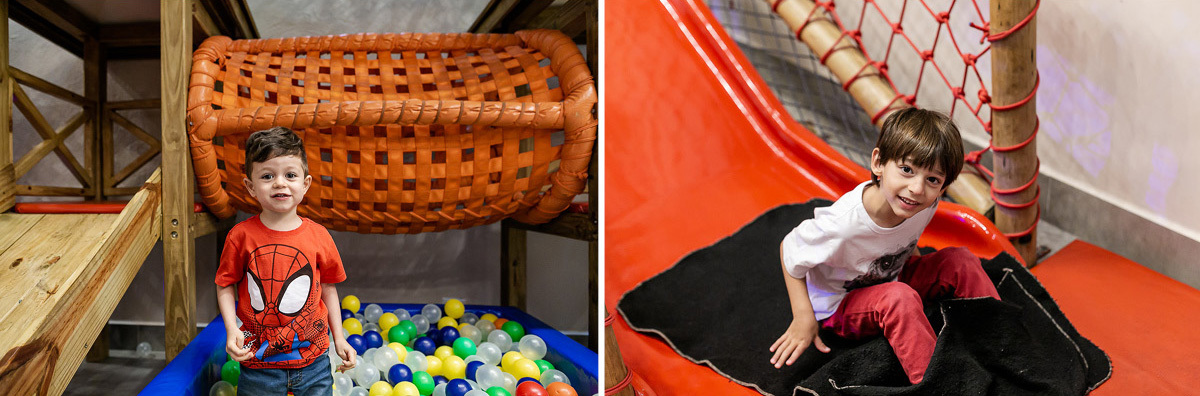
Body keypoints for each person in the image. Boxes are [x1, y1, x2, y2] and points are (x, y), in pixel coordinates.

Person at [768, 108, 1000, 384]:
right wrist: (804, 317)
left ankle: (999, 338)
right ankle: (935, 385)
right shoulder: (842, 226)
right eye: (906, 170)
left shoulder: (924, 203)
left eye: (932, 180)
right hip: (841, 305)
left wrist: (921, 270)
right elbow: (789, 248)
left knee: (960, 260)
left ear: (942, 187)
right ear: (878, 162)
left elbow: (906, 239)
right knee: (899, 298)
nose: (916, 188)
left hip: (893, 275)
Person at [215, 126, 357, 395]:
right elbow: (225, 284)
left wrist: (339, 338)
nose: (280, 183)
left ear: (305, 184)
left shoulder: (319, 236)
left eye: (290, 175)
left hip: (314, 360)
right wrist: (232, 328)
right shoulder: (240, 236)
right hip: (258, 363)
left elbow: (328, 288)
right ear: (251, 187)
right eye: (267, 176)